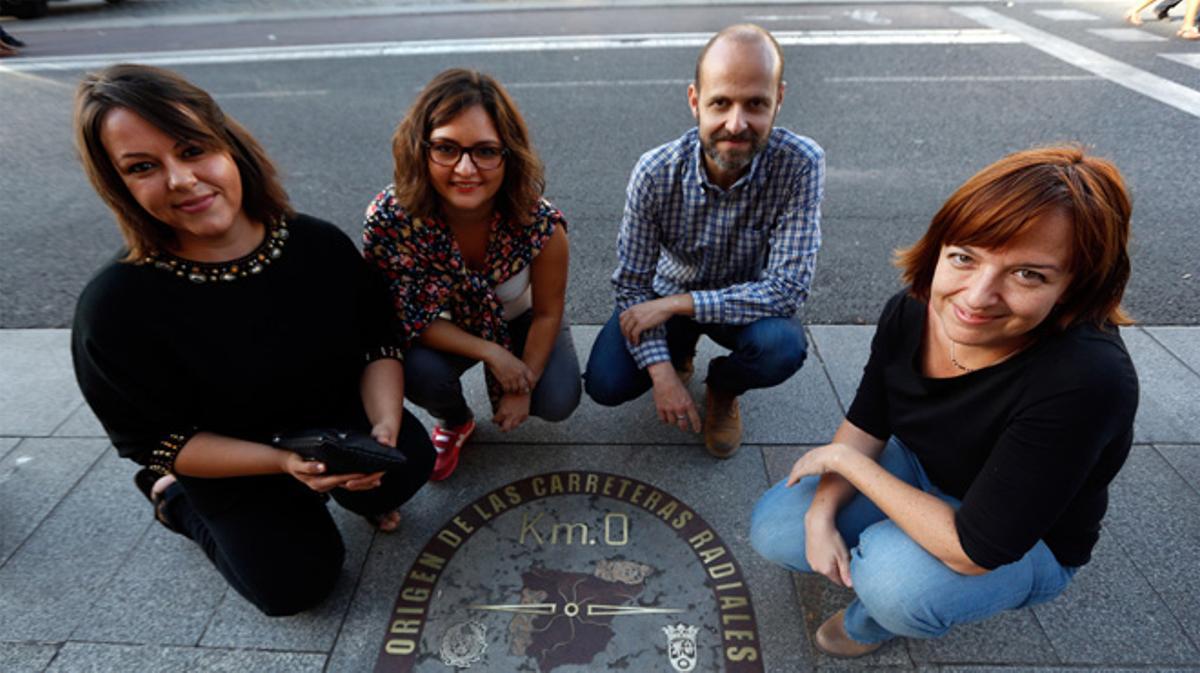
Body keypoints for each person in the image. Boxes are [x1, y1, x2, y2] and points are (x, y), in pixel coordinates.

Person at [71, 64, 435, 617]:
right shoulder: (115, 307)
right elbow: (154, 440)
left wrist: (382, 426)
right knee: (294, 589)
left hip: (332, 428)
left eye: (192, 150)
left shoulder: (317, 244)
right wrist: (281, 465)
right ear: (118, 186)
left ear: (230, 145)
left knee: (407, 462)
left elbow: (378, 343)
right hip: (230, 462)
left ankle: (340, 489)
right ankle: (173, 500)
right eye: (143, 167)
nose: (181, 180)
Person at [749, 146, 1139, 657]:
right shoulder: (912, 312)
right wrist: (822, 511)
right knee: (780, 526)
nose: (976, 297)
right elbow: (868, 419)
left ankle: (871, 621)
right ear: (939, 249)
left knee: (896, 583)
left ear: (1073, 287)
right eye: (964, 257)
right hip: (923, 468)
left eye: (1028, 274)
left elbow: (973, 550)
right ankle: (888, 551)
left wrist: (846, 465)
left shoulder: (1088, 378)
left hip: (1023, 538)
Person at [583, 24, 824, 458]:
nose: (737, 123)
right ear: (695, 101)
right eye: (720, 103)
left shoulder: (801, 164)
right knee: (605, 383)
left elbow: (788, 289)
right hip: (664, 296)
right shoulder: (655, 171)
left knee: (782, 348)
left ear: (779, 99)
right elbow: (632, 287)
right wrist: (662, 374)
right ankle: (678, 349)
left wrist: (681, 304)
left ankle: (722, 388)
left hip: (743, 304)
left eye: (756, 104)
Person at [363, 68, 579, 481]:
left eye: (485, 151)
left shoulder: (539, 222)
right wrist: (492, 353)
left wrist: (523, 385)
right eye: (446, 148)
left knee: (557, 400)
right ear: (421, 149)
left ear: (508, 154)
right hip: (444, 330)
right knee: (417, 372)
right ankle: (456, 421)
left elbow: (549, 312)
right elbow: (406, 316)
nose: (465, 169)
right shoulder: (390, 220)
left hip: (522, 319)